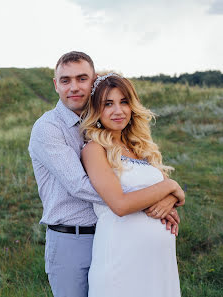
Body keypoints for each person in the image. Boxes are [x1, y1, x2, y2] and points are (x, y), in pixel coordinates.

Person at [28, 51, 183, 297]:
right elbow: (81, 186)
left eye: (82, 78)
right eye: (65, 80)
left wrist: (170, 197)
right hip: (73, 239)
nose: (74, 87)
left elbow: (142, 180)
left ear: (93, 82)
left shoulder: (112, 132)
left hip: (112, 235)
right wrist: (152, 201)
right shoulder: (49, 129)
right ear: (56, 85)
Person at [81, 73, 182, 297]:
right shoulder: (95, 150)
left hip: (158, 265)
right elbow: (120, 205)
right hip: (120, 262)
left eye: (124, 102)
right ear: (97, 110)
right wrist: (171, 186)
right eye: (108, 104)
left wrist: (172, 197)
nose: (118, 111)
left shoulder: (140, 147)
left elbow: (172, 192)